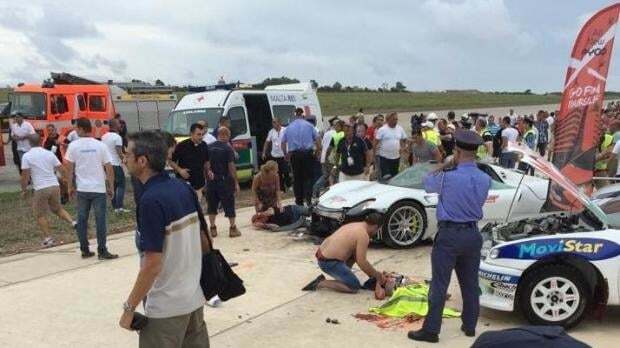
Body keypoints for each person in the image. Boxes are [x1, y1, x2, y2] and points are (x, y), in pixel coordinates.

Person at [119, 131, 209, 347]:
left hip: (166, 310)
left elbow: (152, 265)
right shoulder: (183, 188)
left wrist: (129, 309)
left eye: (128, 154)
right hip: (194, 300)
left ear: (142, 161)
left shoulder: (151, 201)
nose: (124, 159)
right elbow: (205, 241)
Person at [408, 129, 491, 343]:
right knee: (470, 283)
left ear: (458, 151)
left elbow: (427, 180)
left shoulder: (447, 177)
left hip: (449, 235)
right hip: (473, 234)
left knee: (440, 284)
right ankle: (470, 325)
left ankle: (431, 330)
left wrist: (447, 164)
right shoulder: (484, 178)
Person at [65, 117, 118, 260]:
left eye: (77, 128)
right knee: (100, 220)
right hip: (98, 188)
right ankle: (102, 250)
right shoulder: (100, 145)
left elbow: (69, 169)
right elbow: (109, 167)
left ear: (81, 129)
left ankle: (84, 249)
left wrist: (70, 187)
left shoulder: (73, 146)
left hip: (82, 189)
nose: (75, 130)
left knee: (82, 219)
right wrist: (111, 186)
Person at [302, 213, 385, 294]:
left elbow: (357, 257)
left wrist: (373, 276)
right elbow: (362, 262)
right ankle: (321, 283)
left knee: (354, 253)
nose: (376, 232)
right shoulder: (363, 235)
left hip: (323, 256)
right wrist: (377, 275)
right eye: (377, 230)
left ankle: (345, 277)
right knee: (354, 286)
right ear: (375, 227)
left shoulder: (355, 225)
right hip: (328, 262)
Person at [20, 134, 76, 247]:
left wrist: (24, 189)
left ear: (29, 143)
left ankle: (48, 238)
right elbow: (62, 169)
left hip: (40, 188)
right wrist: (68, 183)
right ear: (41, 141)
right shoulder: (49, 153)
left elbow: (25, 176)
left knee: (40, 214)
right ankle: (73, 222)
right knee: (57, 209)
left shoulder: (27, 156)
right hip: (54, 186)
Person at [205, 127, 241, 238]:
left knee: (212, 206)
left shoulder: (208, 147)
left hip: (211, 182)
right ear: (226, 135)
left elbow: (205, 165)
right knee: (229, 204)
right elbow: (231, 166)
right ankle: (233, 228)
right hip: (224, 181)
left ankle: (212, 228)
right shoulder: (227, 148)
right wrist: (235, 182)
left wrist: (207, 177)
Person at [282, 107, 320, 206]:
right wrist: (317, 152)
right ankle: (308, 198)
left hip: (295, 155)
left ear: (295, 115)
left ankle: (299, 200)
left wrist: (286, 154)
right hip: (307, 154)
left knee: (297, 178)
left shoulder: (289, 127)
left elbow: (283, 142)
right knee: (308, 178)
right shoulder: (309, 125)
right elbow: (318, 139)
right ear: (303, 115)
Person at [170, 123, 209, 202]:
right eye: (198, 134)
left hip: (199, 183)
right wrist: (180, 170)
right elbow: (171, 161)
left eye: (202, 134)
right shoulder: (181, 146)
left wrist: (208, 177)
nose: (201, 137)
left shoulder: (204, 145)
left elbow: (206, 163)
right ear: (191, 134)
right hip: (184, 183)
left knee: (197, 207)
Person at [102, 119, 129, 213]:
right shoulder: (117, 137)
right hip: (116, 164)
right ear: (114, 126)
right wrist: (125, 160)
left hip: (107, 164)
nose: (120, 126)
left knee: (112, 185)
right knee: (121, 184)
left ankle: (114, 207)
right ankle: (119, 207)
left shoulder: (104, 136)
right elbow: (119, 152)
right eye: (118, 124)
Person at [313, 120, 343, 198]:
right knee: (333, 176)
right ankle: (333, 192)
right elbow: (331, 148)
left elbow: (323, 145)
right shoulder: (337, 134)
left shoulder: (327, 133)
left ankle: (316, 189)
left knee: (326, 175)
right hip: (332, 158)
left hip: (324, 157)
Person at [374, 112, 407, 180]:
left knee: (394, 178)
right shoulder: (382, 130)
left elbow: (404, 139)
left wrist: (403, 148)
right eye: (393, 119)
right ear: (388, 120)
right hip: (384, 158)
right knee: (387, 177)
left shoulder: (400, 129)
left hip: (396, 158)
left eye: (396, 119)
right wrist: (374, 157)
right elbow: (375, 143)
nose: (395, 121)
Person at [43, 124, 68, 203]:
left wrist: (62, 144)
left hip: (61, 163)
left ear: (55, 130)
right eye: (49, 130)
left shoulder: (62, 138)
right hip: (50, 164)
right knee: (55, 181)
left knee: (62, 180)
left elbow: (71, 146)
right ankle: (59, 196)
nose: (50, 132)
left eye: (52, 130)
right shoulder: (45, 140)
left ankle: (65, 194)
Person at [262, 117, 290, 191]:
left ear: (279, 122)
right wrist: (264, 152)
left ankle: (289, 185)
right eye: (273, 122)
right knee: (278, 173)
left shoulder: (285, 130)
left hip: (284, 155)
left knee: (286, 171)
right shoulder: (271, 132)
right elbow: (267, 142)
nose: (273, 124)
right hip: (275, 155)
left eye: (275, 122)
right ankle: (281, 188)